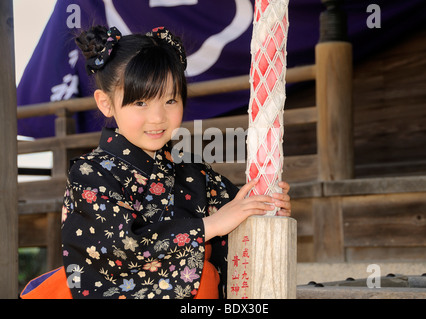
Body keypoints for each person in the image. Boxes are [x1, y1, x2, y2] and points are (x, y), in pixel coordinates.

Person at [22, 25, 291, 299]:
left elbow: (237, 221)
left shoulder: (196, 175)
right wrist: (208, 227)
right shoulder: (90, 174)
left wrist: (265, 208)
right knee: (201, 274)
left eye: (171, 100)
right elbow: (118, 250)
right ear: (105, 103)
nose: (158, 117)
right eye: (140, 103)